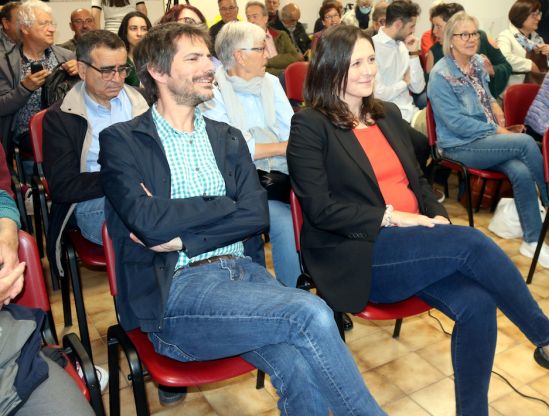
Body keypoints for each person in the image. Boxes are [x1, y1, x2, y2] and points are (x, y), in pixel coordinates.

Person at [288, 24, 549, 416]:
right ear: (330, 68)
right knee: (474, 243)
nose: (367, 71)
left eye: (370, 60)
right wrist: (395, 218)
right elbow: (320, 209)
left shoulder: (387, 115)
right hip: (359, 252)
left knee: (478, 303)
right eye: (354, 63)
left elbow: (419, 182)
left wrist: (436, 218)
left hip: (413, 241)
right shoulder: (311, 125)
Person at [98, 22, 385, 415]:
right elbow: (148, 222)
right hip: (177, 293)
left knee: (301, 365)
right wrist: (221, 203)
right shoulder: (122, 140)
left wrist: (186, 237)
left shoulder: (227, 137)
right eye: (194, 58)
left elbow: (254, 214)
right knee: (311, 312)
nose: (209, 67)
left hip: (245, 277)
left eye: (209, 57)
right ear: (158, 71)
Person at [429, 12, 549, 268]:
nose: (471, 39)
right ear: (450, 40)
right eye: (463, 34)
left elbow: (484, 94)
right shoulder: (441, 75)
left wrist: (496, 109)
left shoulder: (476, 63)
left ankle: (532, 242)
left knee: (519, 170)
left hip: (484, 140)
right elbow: (456, 124)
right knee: (526, 143)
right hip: (458, 145)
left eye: (474, 33)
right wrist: (497, 131)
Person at [202, 21, 301, 287]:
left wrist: (271, 147)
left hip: (279, 176)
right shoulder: (212, 90)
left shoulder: (270, 82)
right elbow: (236, 149)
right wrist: (279, 147)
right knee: (281, 223)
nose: (269, 54)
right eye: (261, 48)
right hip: (239, 185)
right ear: (240, 56)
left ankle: (315, 293)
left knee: (319, 211)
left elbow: (294, 131)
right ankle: (279, 296)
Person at [44, 29, 147, 282]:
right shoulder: (62, 117)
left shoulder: (146, 102)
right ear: (81, 69)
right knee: (141, 218)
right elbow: (62, 187)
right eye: (106, 70)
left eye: (123, 69)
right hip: (96, 200)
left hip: (152, 190)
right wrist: (123, 180)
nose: (117, 78)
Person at [0, 144, 96, 416]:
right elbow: (66, 186)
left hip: (10, 355)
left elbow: (0, 194)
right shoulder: (62, 117)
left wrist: (7, 232)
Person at [0, 0, 77, 156]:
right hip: (28, 133)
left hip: (69, 126)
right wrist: (24, 88)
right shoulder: (5, 63)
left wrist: (82, 73)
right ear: (25, 28)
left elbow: (86, 96)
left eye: (52, 23)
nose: (52, 29)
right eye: (44, 24)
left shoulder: (66, 56)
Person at [424, 2, 511, 99]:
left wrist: (492, 71)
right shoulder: (434, 52)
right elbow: (432, 91)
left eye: (438, 26)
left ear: (453, 26)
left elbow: (506, 66)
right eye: (433, 26)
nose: (434, 31)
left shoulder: (481, 37)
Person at [372, 0, 424, 123]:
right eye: (411, 26)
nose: (413, 31)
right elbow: (378, 94)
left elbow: (418, 88)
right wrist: (404, 83)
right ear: (398, 24)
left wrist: (413, 54)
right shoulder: (372, 47)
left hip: (412, 112)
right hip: (390, 118)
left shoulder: (403, 46)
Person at [497, 0, 549, 87]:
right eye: (534, 15)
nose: (539, 18)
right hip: (514, 92)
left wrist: (548, 55)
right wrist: (530, 64)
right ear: (521, 16)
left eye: (539, 14)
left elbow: (548, 67)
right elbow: (504, 58)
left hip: (536, 89)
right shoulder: (506, 36)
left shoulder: (537, 38)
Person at [245, 1, 302, 78]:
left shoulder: (281, 35)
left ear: (265, 18)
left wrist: (267, 61)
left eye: (255, 16)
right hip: (265, 80)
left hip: (287, 77)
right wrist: (282, 72)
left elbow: (295, 57)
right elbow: (255, 68)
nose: (251, 21)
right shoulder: (245, 41)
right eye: (248, 17)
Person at [116, 11, 150, 87]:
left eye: (144, 29)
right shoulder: (118, 60)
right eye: (133, 28)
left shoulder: (154, 58)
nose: (139, 33)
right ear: (125, 32)